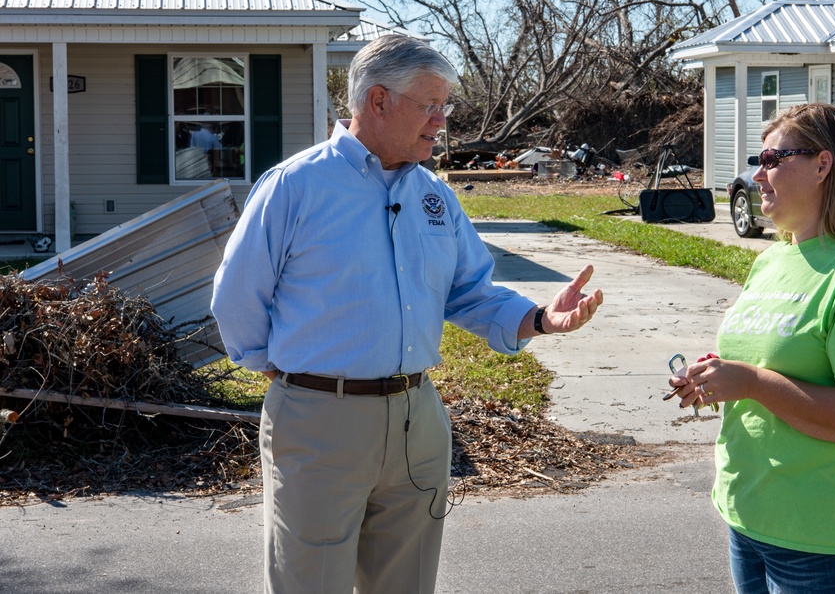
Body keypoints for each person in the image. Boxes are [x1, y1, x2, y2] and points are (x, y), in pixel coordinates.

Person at [211, 34, 603, 594]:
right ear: (377, 101)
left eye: (444, 106)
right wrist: (278, 370)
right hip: (320, 419)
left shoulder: (435, 197)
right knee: (309, 583)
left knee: (408, 584)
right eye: (429, 105)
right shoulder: (296, 186)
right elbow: (236, 295)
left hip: (419, 419)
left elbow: (470, 293)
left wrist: (540, 318)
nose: (441, 120)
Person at [668, 103, 835, 593]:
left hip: (824, 534)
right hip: (751, 515)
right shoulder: (774, 258)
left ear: (823, 165)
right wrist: (718, 377)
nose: (758, 175)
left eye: (773, 158)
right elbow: (768, 362)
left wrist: (751, 382)